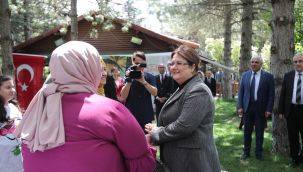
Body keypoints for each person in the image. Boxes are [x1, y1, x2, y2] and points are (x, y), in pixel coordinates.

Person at [13, 41, 156, 172]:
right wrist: (148, 144)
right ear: (91, 68)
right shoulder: (110, 110)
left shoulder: (37, 109)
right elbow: (142, 165)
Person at [145, 45, 221, 172]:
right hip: (181, 160)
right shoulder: (183, 87)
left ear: (193, 67)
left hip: (193, 163)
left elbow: (184, 126)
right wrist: (154, 136)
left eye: (179, 63)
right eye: (172, 63)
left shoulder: (198, 90)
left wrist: (156, 132)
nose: (173, 67)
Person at [237, 56, 274, 160]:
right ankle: (246, 152)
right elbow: (241, 92)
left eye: (256, 62)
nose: (253, 64)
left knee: (259, 132)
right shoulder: (245, 75)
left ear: (261, 64)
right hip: (247, 108)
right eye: (252, 62)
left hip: (261, 108)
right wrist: (240, 106)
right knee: (247, 132)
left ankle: (259, 153)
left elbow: (271, 95)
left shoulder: (268, 76)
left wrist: (268, 109)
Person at [120, 51, 157, 131]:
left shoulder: (150, 76)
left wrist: (144, 82)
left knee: (146, 141)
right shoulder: (128, 77)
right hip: (131, 115)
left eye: (141, 64)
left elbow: (155, 93)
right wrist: (129, 81)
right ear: (133, 62)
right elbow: (123, 97)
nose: (139, 66)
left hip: (146, 115)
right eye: (136, 63)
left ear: (145, 63)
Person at [278, 53, 303, 167]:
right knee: (292, 137)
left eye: (300, 61)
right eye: (296, 62)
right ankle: (294, 159)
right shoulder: (288, 76)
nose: (298, 63)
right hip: (291, 110)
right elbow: (283, 94)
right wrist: (281, 111)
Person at [0, 75, 23, 172]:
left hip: (18, 162)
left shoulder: (14, 106)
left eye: (13, 86)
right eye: (8, 87)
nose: (13, 90)